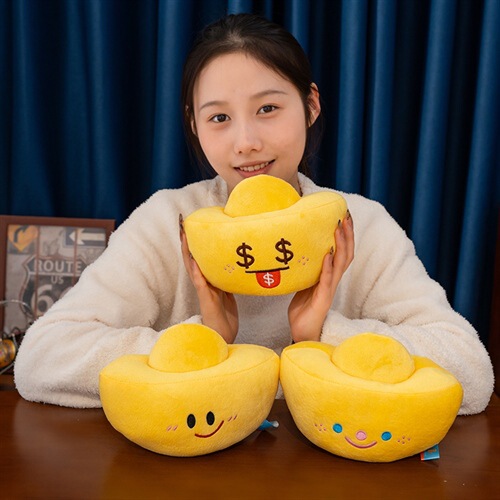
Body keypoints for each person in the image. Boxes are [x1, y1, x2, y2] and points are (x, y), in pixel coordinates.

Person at [14, 13, 493, 414]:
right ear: (194, 124)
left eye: (267, 108)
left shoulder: (358, 224)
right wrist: (206, 341)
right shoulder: (169, 220)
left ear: (310, 105)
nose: (245, 142)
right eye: (219, 118)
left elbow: (470, 372)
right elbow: (42, 358)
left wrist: (322, 335)